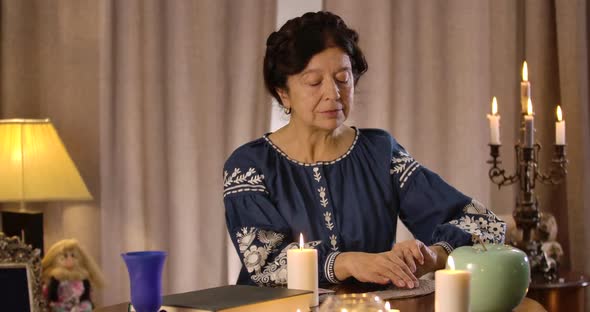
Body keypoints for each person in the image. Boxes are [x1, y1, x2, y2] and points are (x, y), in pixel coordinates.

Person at [223, 11, 505, 289]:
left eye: (343, 78)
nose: (333, 94)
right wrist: (347, 263)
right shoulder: (249, 165)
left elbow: (481, 223)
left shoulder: (380, 152)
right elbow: (265, 263)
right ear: (283, 92)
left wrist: (432, 256)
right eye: (314, 82)